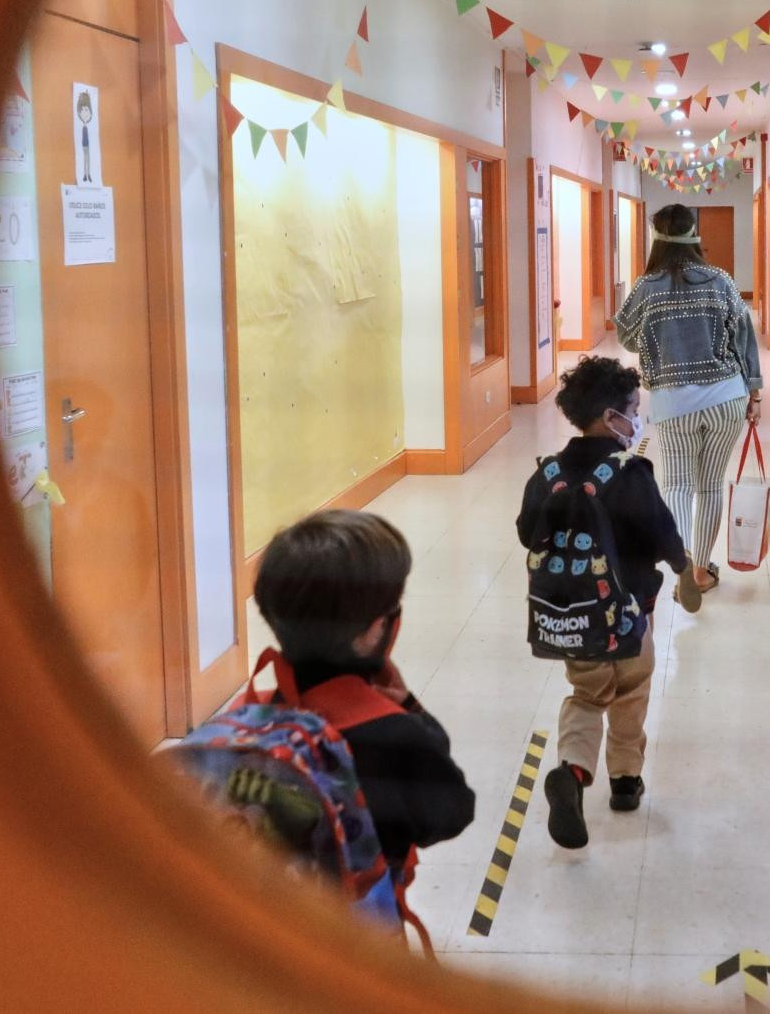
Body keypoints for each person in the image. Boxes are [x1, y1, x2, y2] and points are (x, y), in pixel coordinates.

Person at [517, 355, 693, 849]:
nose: (638, 417)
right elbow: (663, 533)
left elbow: (526, 533)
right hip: (630, 615)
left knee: (587, 695)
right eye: (634, 408)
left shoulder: (547, 472)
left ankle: (572, 772)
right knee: (632, 690)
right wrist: (683, 567)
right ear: (611, 417)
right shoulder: (629, 473)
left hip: (571, 620)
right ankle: (624, 782)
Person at [251, 510, 475, 875]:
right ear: (373, 631)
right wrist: (412, 710)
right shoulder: (395, 738)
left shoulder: (253, 716)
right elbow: (451, 815)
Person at [611, 203, 764, 605]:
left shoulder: (647, 286)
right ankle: (702, 570)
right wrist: (755, 392)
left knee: (677, 484)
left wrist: (657, 333)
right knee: (710, 484)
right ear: (695, 236)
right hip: (726, 397)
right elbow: (744, 338)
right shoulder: (721, 280)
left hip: (673, 401)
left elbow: (624, 336)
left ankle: (683, 566)